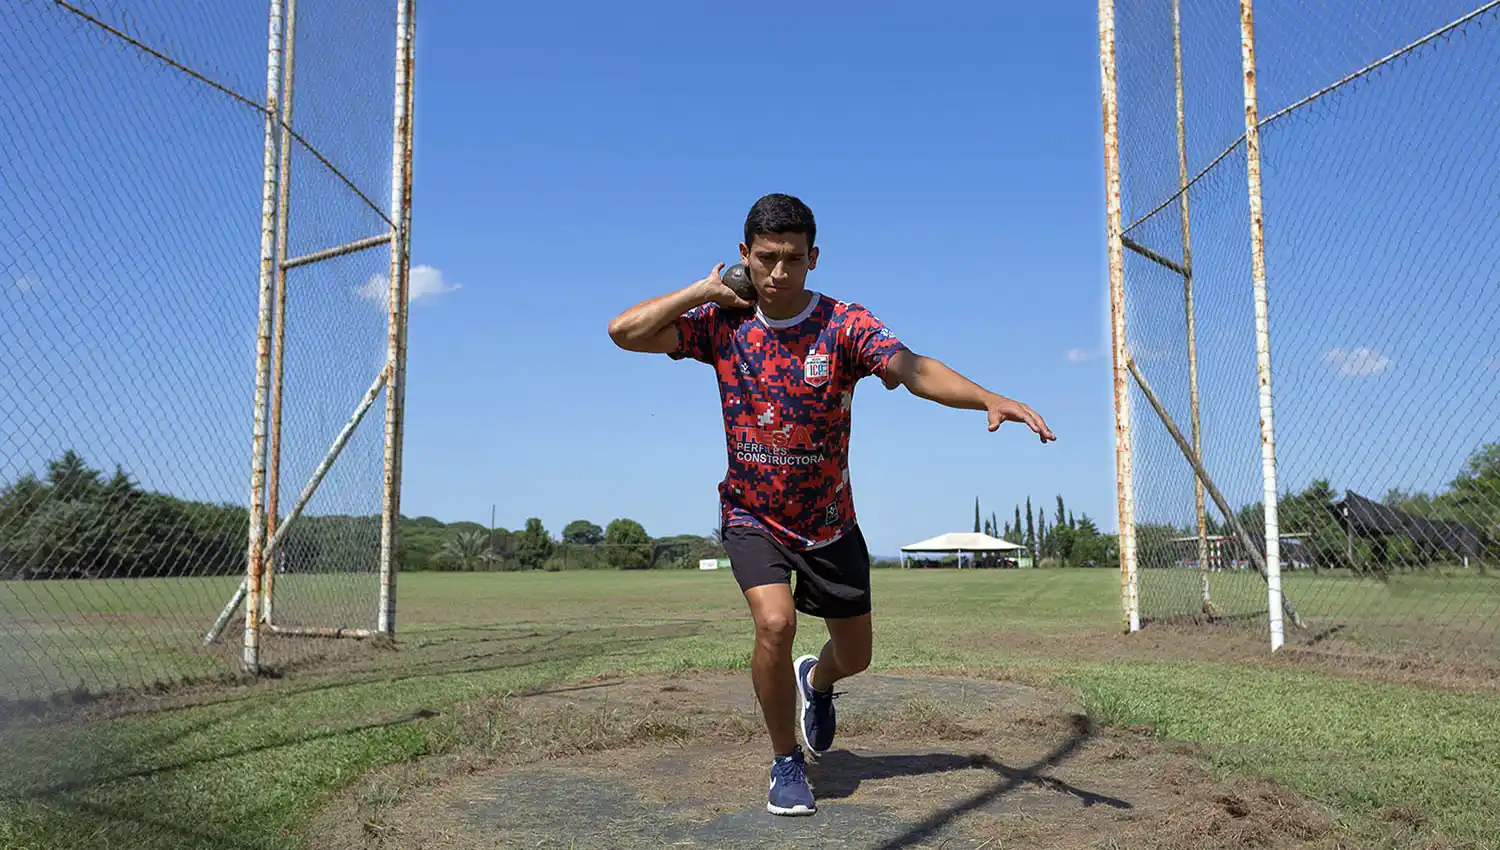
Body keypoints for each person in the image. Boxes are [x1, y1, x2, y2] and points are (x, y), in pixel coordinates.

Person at [606, 193, 1055, 816]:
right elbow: (624, 333)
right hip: (751, 514)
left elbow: (912, 368)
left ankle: (816, 681)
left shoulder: (843, 325)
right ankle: (784, 761)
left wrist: (986, 397)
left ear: (813, 258)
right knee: (775, 624)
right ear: (744, 255)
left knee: (856, 657)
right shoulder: (721, 323)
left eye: (793, 258)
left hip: (829, 524)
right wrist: (703, 291)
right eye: (766, 258)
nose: (778, 272)